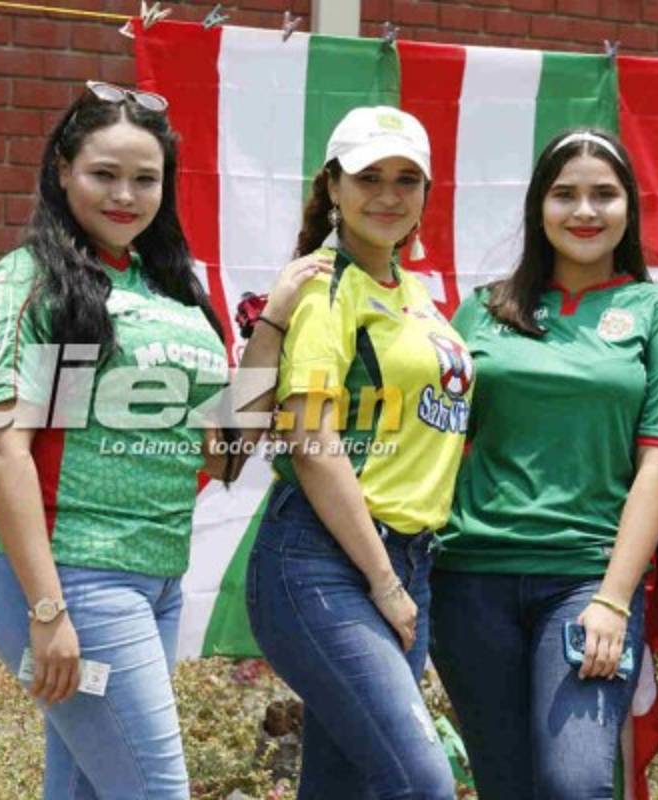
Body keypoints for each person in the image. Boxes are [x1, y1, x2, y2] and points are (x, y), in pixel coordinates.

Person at [0, 81, 289, 799]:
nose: (125, 196)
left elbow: (221, 452)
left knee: (85, 788)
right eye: (103, 174)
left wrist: (275, 326)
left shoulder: (171, 291)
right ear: (61, 170)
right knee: (154, 790)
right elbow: (2, 450)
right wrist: (49, 613)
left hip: (157, 581)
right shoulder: (28, 284)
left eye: (145, 179)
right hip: (72, 580)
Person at [428, 128, 658, 799]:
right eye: (565, 194)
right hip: (469, 581)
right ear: (537, 208)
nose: (584, 210)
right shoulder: (485, 310)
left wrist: (612, 599)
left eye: (603, 195)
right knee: (505, 784)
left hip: (586, 581)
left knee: (575, 784)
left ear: (630, 208)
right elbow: (436, 445)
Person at [243, 105, 465, 800]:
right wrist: (384, 581)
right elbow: (312, 444)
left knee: (346, 788)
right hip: (325, 563)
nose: (389, 195)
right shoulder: (323, 287)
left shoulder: (420, 296)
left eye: (407, 179)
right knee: (420, 783)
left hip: (406, 561)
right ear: (332, 186)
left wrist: (401, 577)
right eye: (369, 176)